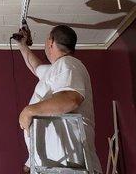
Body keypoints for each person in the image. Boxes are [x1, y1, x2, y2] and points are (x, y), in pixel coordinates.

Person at [16, 24, 102, 173]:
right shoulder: (57, 70)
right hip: (59, 164)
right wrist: (22, 45)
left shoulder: (68, 65)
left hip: (70, 166)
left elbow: (70, 99)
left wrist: (28, 111)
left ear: (51, 42)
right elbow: (35, 67)